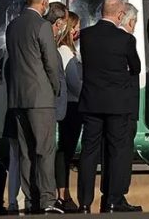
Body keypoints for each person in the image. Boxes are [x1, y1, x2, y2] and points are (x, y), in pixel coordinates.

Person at [77, 0, 141, 213]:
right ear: (121, 15)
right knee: (116, 151)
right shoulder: (125, 40)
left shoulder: (86, 36)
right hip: (117, 105)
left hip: (91, 103)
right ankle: (113, 200)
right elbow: (136, 67)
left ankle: (85, 202)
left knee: (89, 152)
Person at [5, 0, 62, 214]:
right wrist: (55, 87)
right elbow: (50, 62)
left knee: (26, 151)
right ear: (44, 2)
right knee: (45, 150)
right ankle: (48, 200)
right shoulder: (42, 26)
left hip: (18, 97)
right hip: (40, 98)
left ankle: (31, 199)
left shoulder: (13, 26)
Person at [100, 3, 139, 210]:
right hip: (125, 106)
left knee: (110, 151)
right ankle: (117, 197)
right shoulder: (126, 40)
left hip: (107, 103)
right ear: (130, 21)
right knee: (122, 153)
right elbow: (136, 68)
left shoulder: (106, 39)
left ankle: (110, 195)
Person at [54, 11, 82, 213]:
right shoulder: (65, 52)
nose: (78, 31)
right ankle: (63, 194)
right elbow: (73, 83)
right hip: (72, 106)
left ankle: (64, 193)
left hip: (72, 105)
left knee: (66, 151)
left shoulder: (70, 51)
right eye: (76, 27)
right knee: (65, 151)